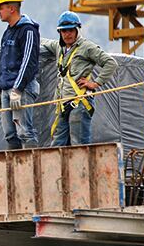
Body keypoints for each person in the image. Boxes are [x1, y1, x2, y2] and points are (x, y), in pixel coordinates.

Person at [42, 11, 117, 146]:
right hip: (63, 104)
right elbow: (44, 42)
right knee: (57, 145)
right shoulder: (59, 47)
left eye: (70, 30)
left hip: (79, 103)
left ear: (77, 30)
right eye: (64, 31)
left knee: (79, 145)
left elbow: (110, 63)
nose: (67, 34)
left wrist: (95, 83)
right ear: (60, 32)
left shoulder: (87, 47)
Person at [0, 0, 41, 149]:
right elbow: (3, 63)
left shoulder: (28, 30)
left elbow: (29, 62)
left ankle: (32, 172)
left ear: (11, 8)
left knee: (24, 132)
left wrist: (18, 90)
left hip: (22, 89)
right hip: (7, 90)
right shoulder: (7, 33)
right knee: (10, 134)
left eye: (0, 7)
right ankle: (16, 172)